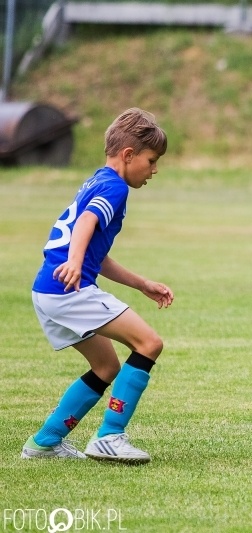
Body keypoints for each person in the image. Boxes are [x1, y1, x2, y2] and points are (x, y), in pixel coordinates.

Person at [22, 108, 172, 463]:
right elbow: (86, 223)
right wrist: (75, 263)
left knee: (106, 367)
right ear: (129, 155)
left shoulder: (96, 181)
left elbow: (95, 253)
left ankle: (44, 442)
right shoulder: (115, 187)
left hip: (48, 289)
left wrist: (140, 283)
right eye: (152, 161)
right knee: (149, 343)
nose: (154, 170)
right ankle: (109, 436)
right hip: (68, 289)